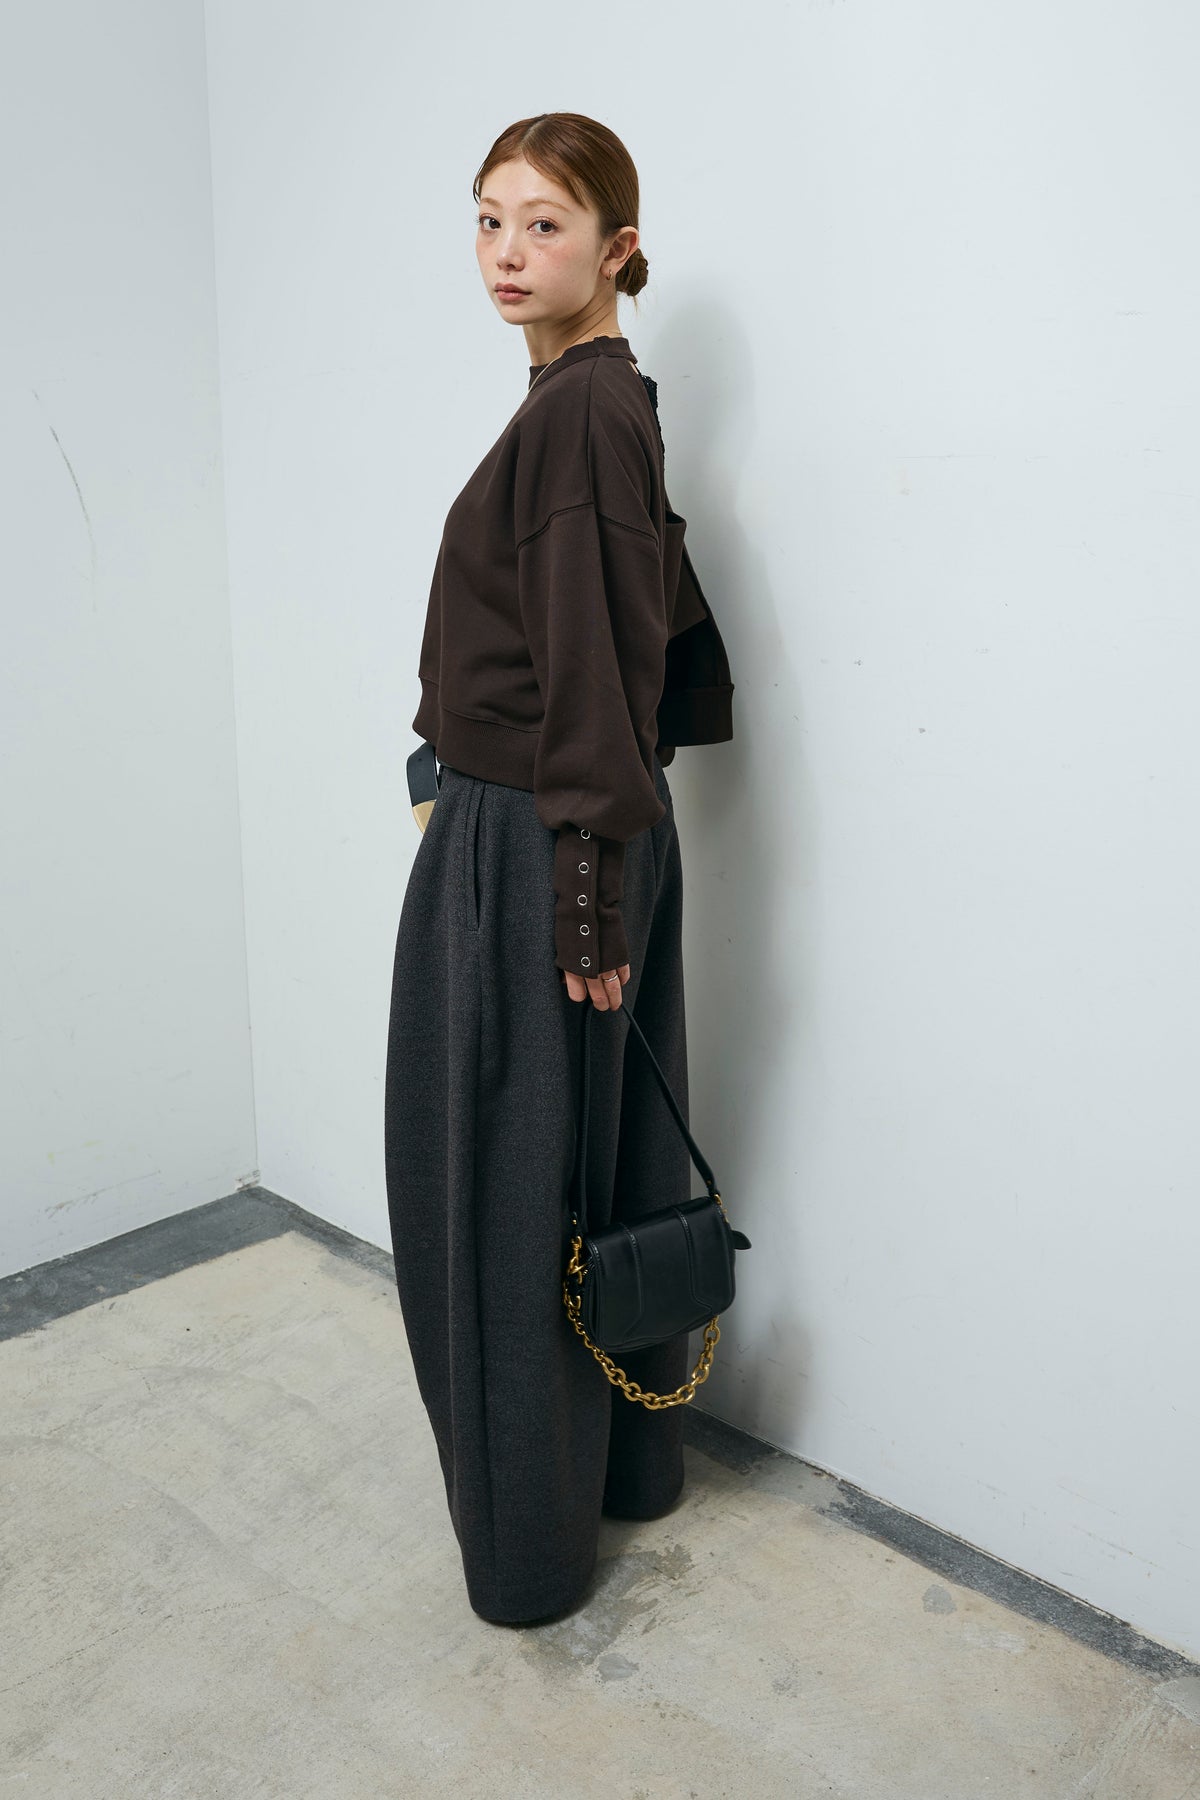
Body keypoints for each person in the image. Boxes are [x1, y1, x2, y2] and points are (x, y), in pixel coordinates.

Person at [383, 111, 734, 1625]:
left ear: (618, 248)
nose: (508, 253)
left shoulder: (582, 411)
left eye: (545, 224)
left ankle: (526, 1562)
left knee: (491, 1201)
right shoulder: (603, 401)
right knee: (599, 1166)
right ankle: (627, 1474)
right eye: (488, 219)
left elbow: (594, 660)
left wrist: (579, 893)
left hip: (539, 847)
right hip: (572, 833)